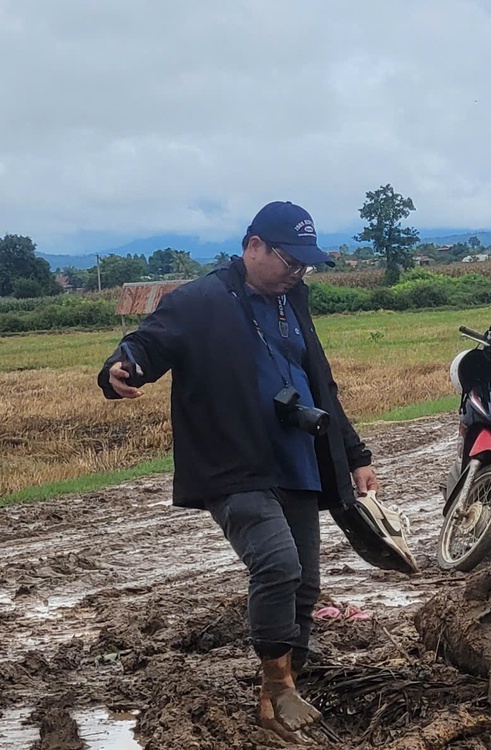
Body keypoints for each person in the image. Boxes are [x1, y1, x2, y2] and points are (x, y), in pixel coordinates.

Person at [98, 201, 376, 742]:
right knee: (276, 565)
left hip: (296, 459)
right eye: (288, 260)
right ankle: (276, 689)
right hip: (232, 462)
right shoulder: (200, 300)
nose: (296, 272)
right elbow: (147, 343)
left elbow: (319, 379)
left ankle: (289, 675)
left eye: (304, 264)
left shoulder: (293, 299)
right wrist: (120, 367)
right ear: (253, 246)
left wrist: (356, 453)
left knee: (306, 585)